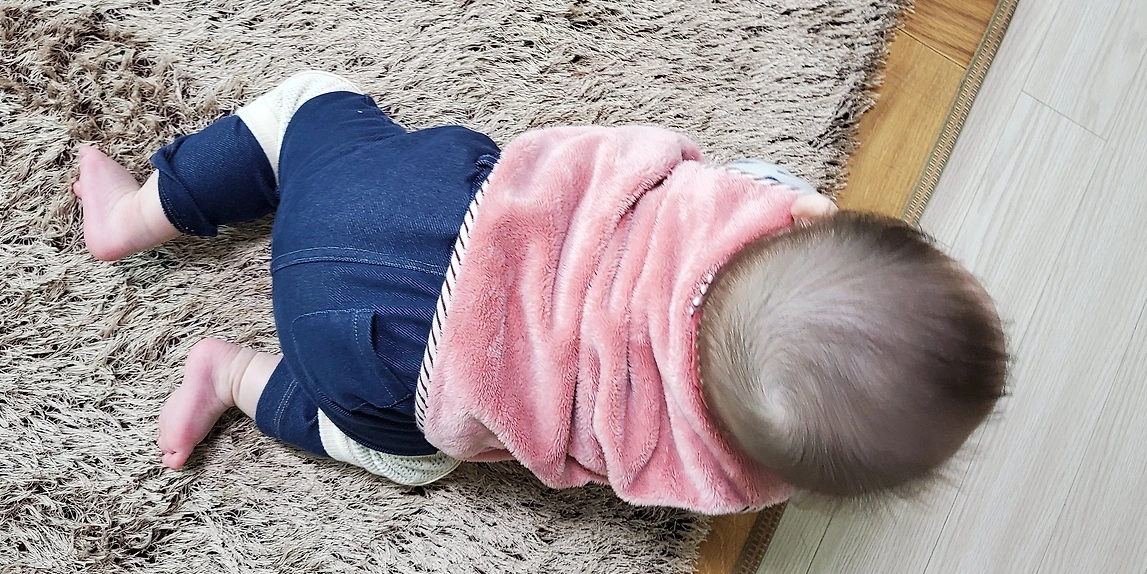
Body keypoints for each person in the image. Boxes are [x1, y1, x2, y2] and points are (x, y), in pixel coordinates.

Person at [72, 71, 1006, 514]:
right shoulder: (726, 474)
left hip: (402, 200)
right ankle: (233, 375)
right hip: (375, 366)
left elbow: (693, 171)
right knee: (410, 458)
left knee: (306, 106)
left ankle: (136, 217)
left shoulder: (754, 206)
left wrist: (780, 200)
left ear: (811, 220)